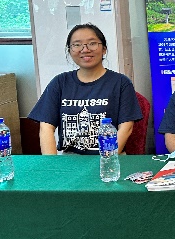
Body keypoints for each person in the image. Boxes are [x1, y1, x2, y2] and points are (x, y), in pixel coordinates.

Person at [28, 23, 143, 154]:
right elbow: (46, 128)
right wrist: (52, 163)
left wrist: (107, 159)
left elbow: (126, 128)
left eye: (92, 43)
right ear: (70, 51)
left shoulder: (121, 83)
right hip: (70, 158)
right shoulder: (60, 82)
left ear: (104, 49)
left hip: (111, 157)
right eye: (77, 45)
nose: (85, 49)